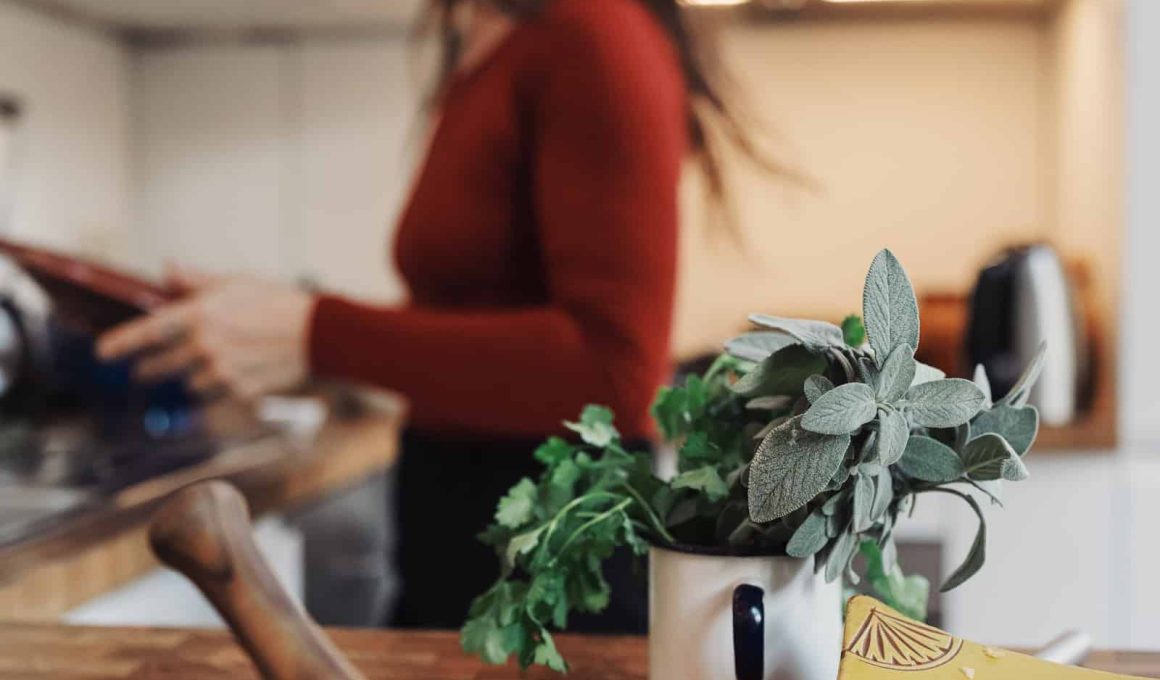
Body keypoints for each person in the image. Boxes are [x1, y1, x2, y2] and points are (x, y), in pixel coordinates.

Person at [99, 0, 770, 631]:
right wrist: (281, 334)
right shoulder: (488, 42)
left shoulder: (595, 33)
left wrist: (315, 333)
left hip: (548, 586)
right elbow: (472, 316)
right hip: (459, 556)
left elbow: (612, 368)